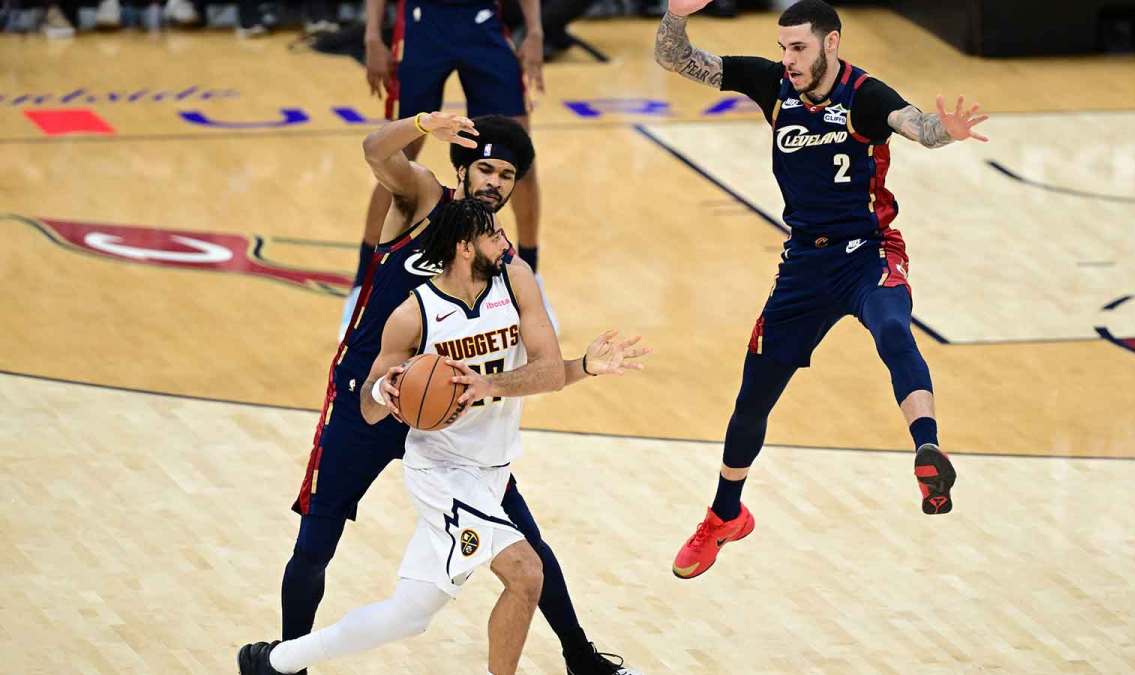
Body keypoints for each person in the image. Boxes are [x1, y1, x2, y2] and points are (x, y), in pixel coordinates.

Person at [277, 112, 642, 674]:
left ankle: (581, 656)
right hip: (373, 389)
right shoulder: (423, 199)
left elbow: (545, 366)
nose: (495, 182)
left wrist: (560, 371)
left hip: (450, 409)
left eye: (507, 175)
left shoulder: (504, 261)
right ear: (464, 169)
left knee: (526, 544)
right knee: (318, 535)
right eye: (487, 169)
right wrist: (423, 122)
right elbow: (376, 151)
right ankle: (286, 661)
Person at [654, 0, 989, 579]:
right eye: (783, 47)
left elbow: (919, 127)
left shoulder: (865, 95)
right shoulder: (771, 83)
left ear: (831, 43)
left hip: (867, 253)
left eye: (799, 48)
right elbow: (674, 58)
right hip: (803, 266)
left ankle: (927, 451)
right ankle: (724, 515)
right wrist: (675, 15)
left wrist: (945, 131)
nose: (788, 59)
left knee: (892, 327)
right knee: (753, 394)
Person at [340, 0, 552, 338]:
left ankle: (531, 274)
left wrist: (536, 30)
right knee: (397, 160)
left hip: (482, 22)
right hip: (423, 22)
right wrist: (372, 35)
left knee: (517, 156)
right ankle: (362, 284)